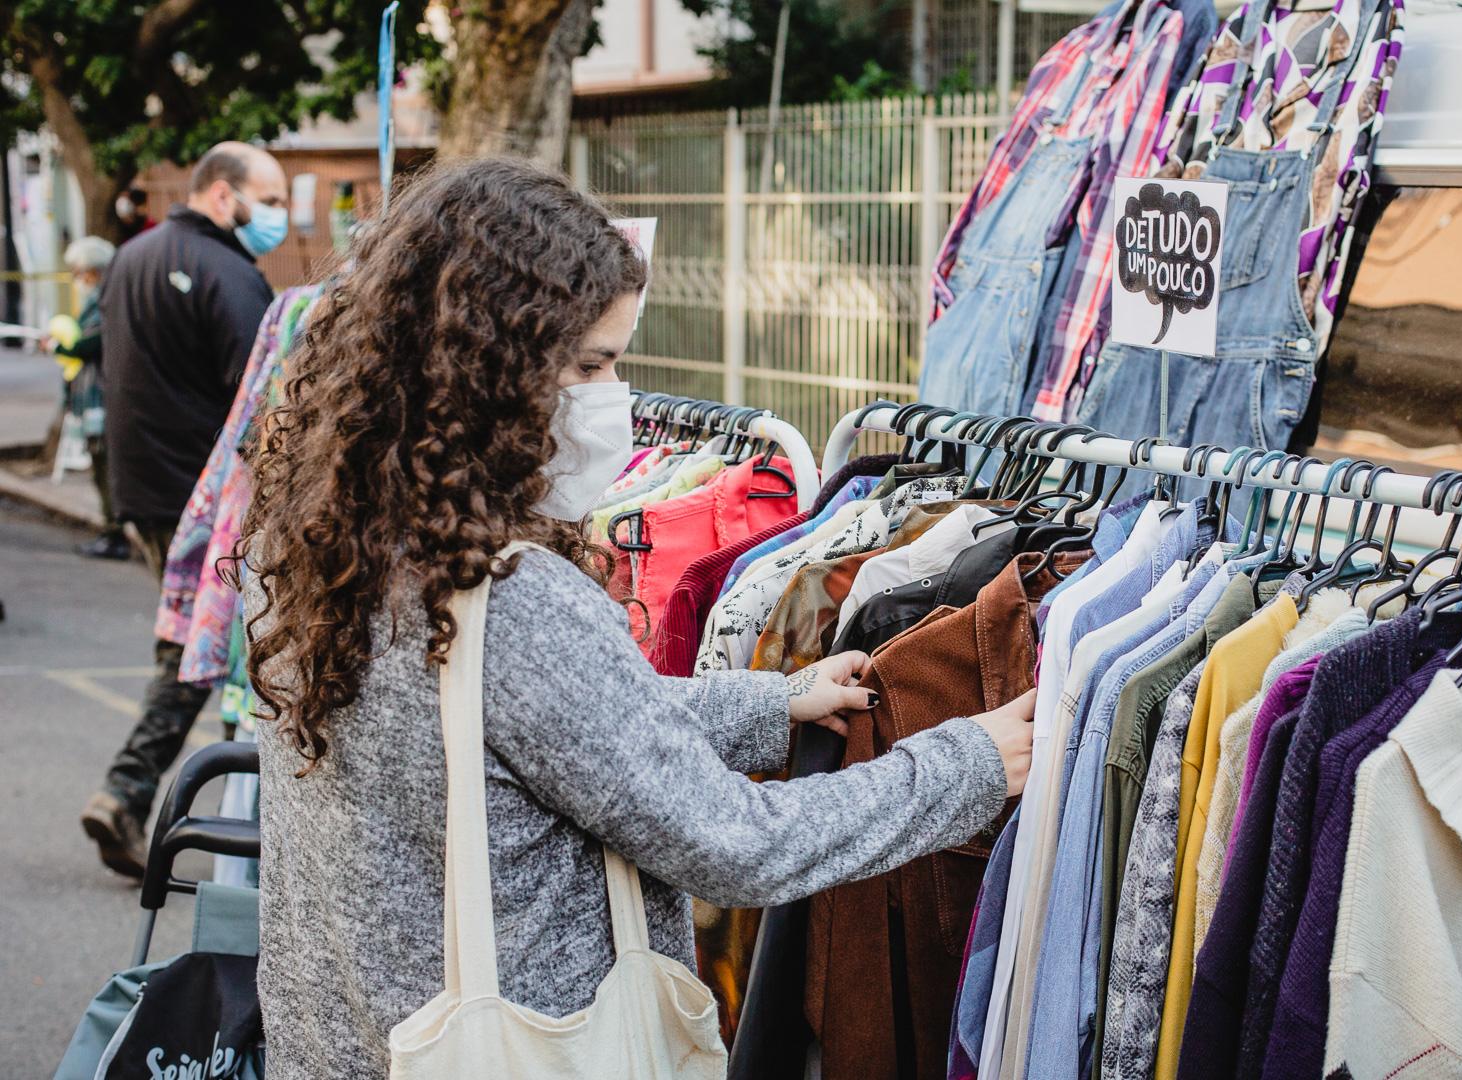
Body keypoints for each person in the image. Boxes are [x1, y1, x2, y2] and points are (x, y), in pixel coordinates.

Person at [233, 158, 1036, 1079]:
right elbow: (736, 844)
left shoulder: (313, 545)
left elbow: (539, 742)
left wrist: (771, 705)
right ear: (488, 372)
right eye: (591, 365)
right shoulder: (510, 599)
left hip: (337, 1040)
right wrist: (964, 766)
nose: (615, 395)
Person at [81, 141, 288, 877]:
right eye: (269, 199)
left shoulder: (133, 256)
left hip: (139, 488)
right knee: (207, 656)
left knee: (198, 648)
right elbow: (265, 401)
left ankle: (143, 797)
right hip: (204, 505)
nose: (280, 216)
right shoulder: (230, 275)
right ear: (224, 196)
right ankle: (132, 793)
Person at [44, 236, 126, 559]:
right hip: (94, 397)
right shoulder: (102, 300)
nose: (77, 278)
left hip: (101, 398)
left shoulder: (106, 302)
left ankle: (114, 532)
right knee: (100, 467)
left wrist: (57, 346)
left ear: (93, 271)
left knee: (105, 469)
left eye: (79, 271)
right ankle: (111, 530)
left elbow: (86, 344)